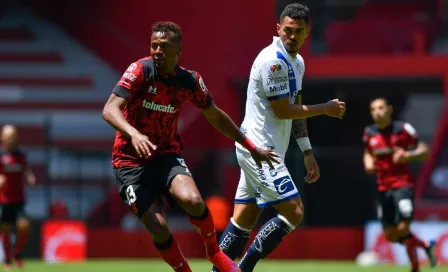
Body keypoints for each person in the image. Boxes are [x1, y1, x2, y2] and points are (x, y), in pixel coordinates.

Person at [102, 21, 278, 272]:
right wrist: (133, 134)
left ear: (179, 50)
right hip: (129, 162)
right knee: (159, 227)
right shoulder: (140, 70)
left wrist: (250, 146)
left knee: (193, 200)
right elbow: (109, 109)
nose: (157, 51)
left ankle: (214, 252)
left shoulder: (190, 81)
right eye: (154, 46)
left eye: (164, 46)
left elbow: (215, 115)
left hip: (165, 155)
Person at [212, 3, 346, 272]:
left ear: (308, 31)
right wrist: (325, 109)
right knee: (294, 211)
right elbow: (283, 110)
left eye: (298, 31)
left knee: (244, 218)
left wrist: (307, 151)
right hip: (260, 150)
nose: (292, 36)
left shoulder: (297, 62)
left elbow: (295, 105)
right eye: (287, 30)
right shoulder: (274, 61)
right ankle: (244, 268)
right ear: (278, 29)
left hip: (263, 148)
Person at [363, 97, 437, 272]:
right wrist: (367, 162)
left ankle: (415, 267)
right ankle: (425, 245)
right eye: (373, 109)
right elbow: (367, 152)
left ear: (389, 109)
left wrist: (408, 155)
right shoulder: (369, 132)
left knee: (403, 227)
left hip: (402, 185)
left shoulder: (403, 129)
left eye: (380, 108)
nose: (377, 112)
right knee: (390, 234)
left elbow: (425, 151)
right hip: (383, 188)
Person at [0, 125, 36, 271]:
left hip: (19, 199)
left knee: (24, 225)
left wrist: (29, 176)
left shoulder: (20, 155)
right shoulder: (1, 156)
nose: (10, 138)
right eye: (8, 136)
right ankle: (8, 259)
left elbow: (26, 169)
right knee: (6, 230)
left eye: (13, 135)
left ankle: (17, 253)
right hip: (4, 200)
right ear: (2, 138)